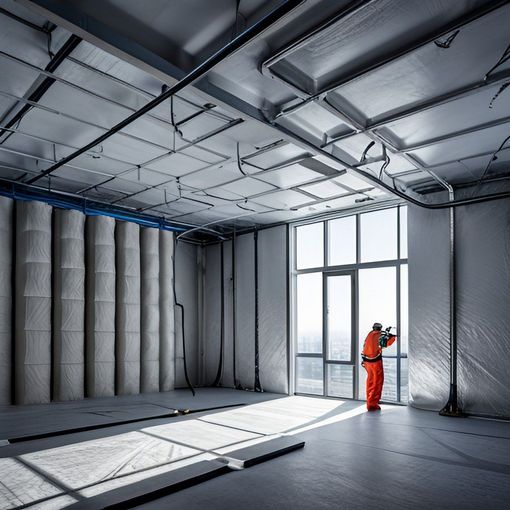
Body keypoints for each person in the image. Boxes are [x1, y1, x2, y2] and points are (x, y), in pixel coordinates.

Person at [361, 323, 396, 411]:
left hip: (367, 362)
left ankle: (369, 401)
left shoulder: (369, 334)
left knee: (370, 381)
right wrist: (393, 337)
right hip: (375, 362)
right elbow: (385, 343)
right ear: (380, 329)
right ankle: (372, 405)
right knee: (377, 383)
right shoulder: (379, 335)